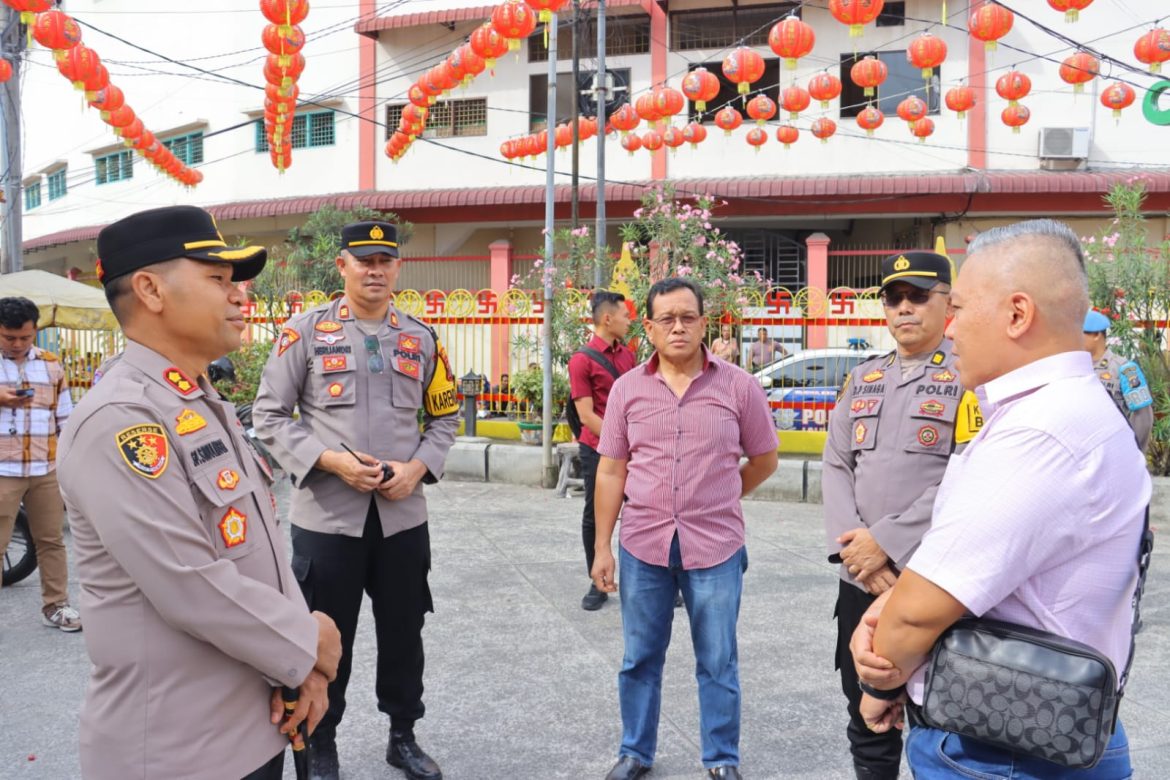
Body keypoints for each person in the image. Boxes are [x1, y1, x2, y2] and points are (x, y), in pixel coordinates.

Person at [852, 219, 1150, 778]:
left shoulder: (1041, 432)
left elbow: (918, 615)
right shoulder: (1066, 411)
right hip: (1037, 725)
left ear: (1017, 314)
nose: (951, 328)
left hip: (1000, 750)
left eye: (960, 309)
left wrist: (880, 676)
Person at [55, 205, 342, 780]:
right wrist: (307, 641)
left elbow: (253, 552)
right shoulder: (122, 418)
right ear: (150, 289)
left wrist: (297, 671)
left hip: (250, 724)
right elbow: (188, 582)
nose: (240, 296)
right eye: (218, 279)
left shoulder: (197, 401)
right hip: (179, 750)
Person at [253, 220, 460, 780]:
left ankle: (403, 735)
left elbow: (444, 417)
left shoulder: (421, 338)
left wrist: (417, 468)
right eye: (362, 260)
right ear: (341, 265)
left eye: (384, 261)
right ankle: (321, 743)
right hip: (327, 519)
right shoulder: (305, 334)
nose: (374, 270)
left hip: (402, 517)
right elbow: (268, 415)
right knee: (323, 634)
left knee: (403, 630)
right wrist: (329, 460)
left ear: (397, 269)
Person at [591, 277, 779, 780]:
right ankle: (635, 752)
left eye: (688, 317)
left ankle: (721, 759)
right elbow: (611, 471)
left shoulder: (738, 386)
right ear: (648, 327)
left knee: (718, 660)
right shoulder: (628, 389)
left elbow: (763, 460)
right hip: (643, 545)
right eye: (666, 319)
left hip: (715, 548)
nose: (678, 327)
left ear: (703, 322)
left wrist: (720, 495)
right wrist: (601, 548)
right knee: (639, 658)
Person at [821, 251, 981, 780]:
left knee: (946, 714)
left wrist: (885, 542)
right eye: (894, 298)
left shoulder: (970, 376)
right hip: (861, 579)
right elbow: (836, 463)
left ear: (947, 302)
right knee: (867, 712)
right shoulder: (863, 377)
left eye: (918, 296)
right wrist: (859, 554)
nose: (904, 308)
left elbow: (970, 473)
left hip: (933, 574)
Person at [0, 296, 81, 632]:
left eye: (26, 337)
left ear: (35, 332)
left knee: (51, 540)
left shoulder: (51, 364)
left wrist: (72, 463)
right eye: (9, 337)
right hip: (2, 471)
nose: (18, 344)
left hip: (44, 469)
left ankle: (57, 605)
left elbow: (66, 418)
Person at [568, 290, 636, 611]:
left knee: (643, 510)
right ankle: (597, 581)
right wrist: (618, 441)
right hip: (597, 449)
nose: (629, 320)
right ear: (607, 319)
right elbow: (586, 415)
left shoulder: (628, 355)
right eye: (624, 315)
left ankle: (652, 578)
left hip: (632, 448)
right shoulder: (581, 360)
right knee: (595, 516)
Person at [1083, 309, 1154, 453]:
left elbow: (1144, 417)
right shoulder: (1075, 367)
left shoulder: (1125, 369)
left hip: (1114, 449)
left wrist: (1132, 452)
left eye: (1081, 334)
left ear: (1097, 335)